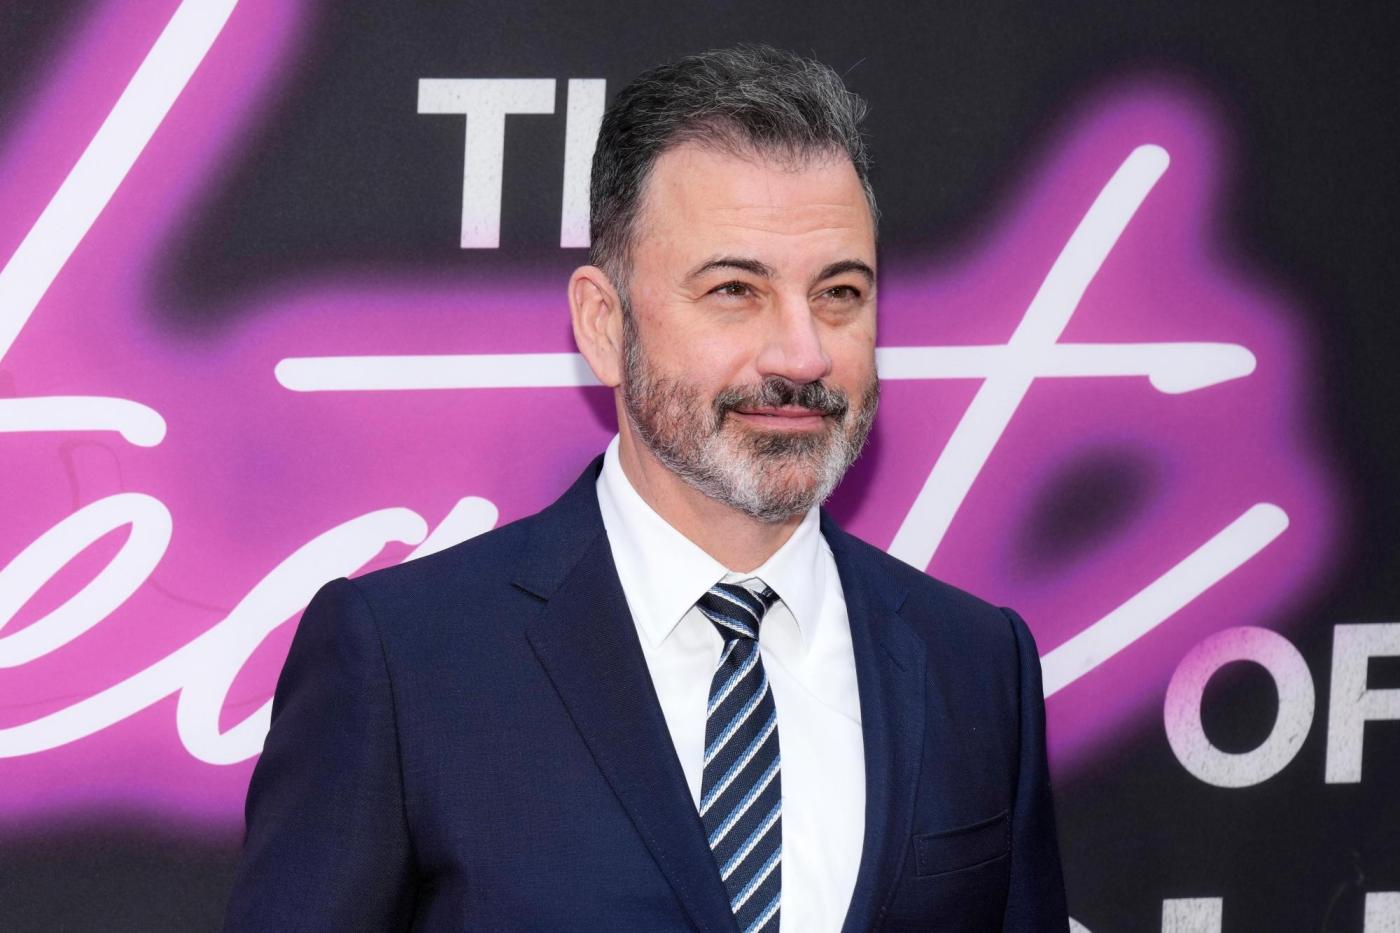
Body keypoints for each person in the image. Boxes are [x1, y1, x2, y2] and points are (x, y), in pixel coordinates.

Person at [222, 45, 1068, 933]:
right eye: (735, 289)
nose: (803, 353)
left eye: (840, 292)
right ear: (604, 324)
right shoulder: (406, 662)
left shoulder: (978, 666)